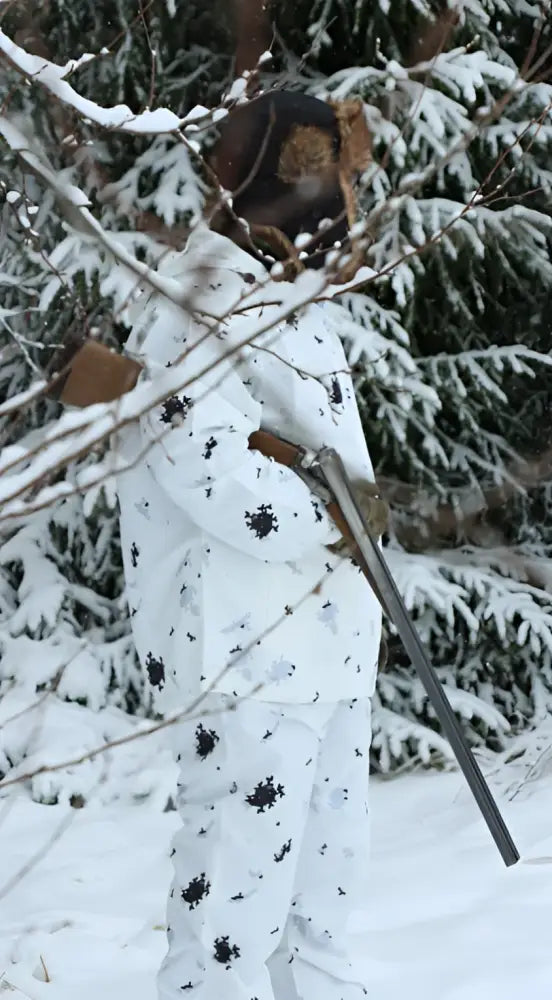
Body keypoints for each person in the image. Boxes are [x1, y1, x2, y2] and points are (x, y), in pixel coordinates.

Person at [115, 91, 384, 1000]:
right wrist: (338, 512)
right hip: (245, 654)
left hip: (332, 646)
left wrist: (354, 516)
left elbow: (319, 456)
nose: (341, 214)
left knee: (323, 901)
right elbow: (213, 474)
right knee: (234, 903)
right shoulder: (198, 311)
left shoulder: (293, 308)